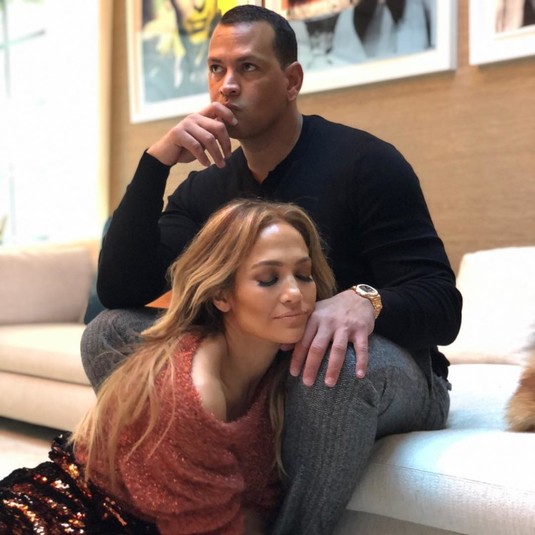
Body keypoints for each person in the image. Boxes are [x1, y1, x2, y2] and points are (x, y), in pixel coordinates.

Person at [82, 5, 462, 533]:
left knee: (331, 365)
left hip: (386, 369)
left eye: (248, 67)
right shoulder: (208, 188)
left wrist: (366, 300)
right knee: (108, 334)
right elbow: (121, 288)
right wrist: (156, 163)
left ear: (291, 81)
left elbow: (442, 304)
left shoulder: (366, 163)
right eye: (216, 69)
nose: (227, 85)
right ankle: (190, 497)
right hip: (268, 368)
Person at [0, 199, 336, 534]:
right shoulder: (192, 391)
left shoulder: (279, 375)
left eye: (303, 274)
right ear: (221, 295)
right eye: (268, 278)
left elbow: (257, 501)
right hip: (62, 519)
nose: (295, 293)